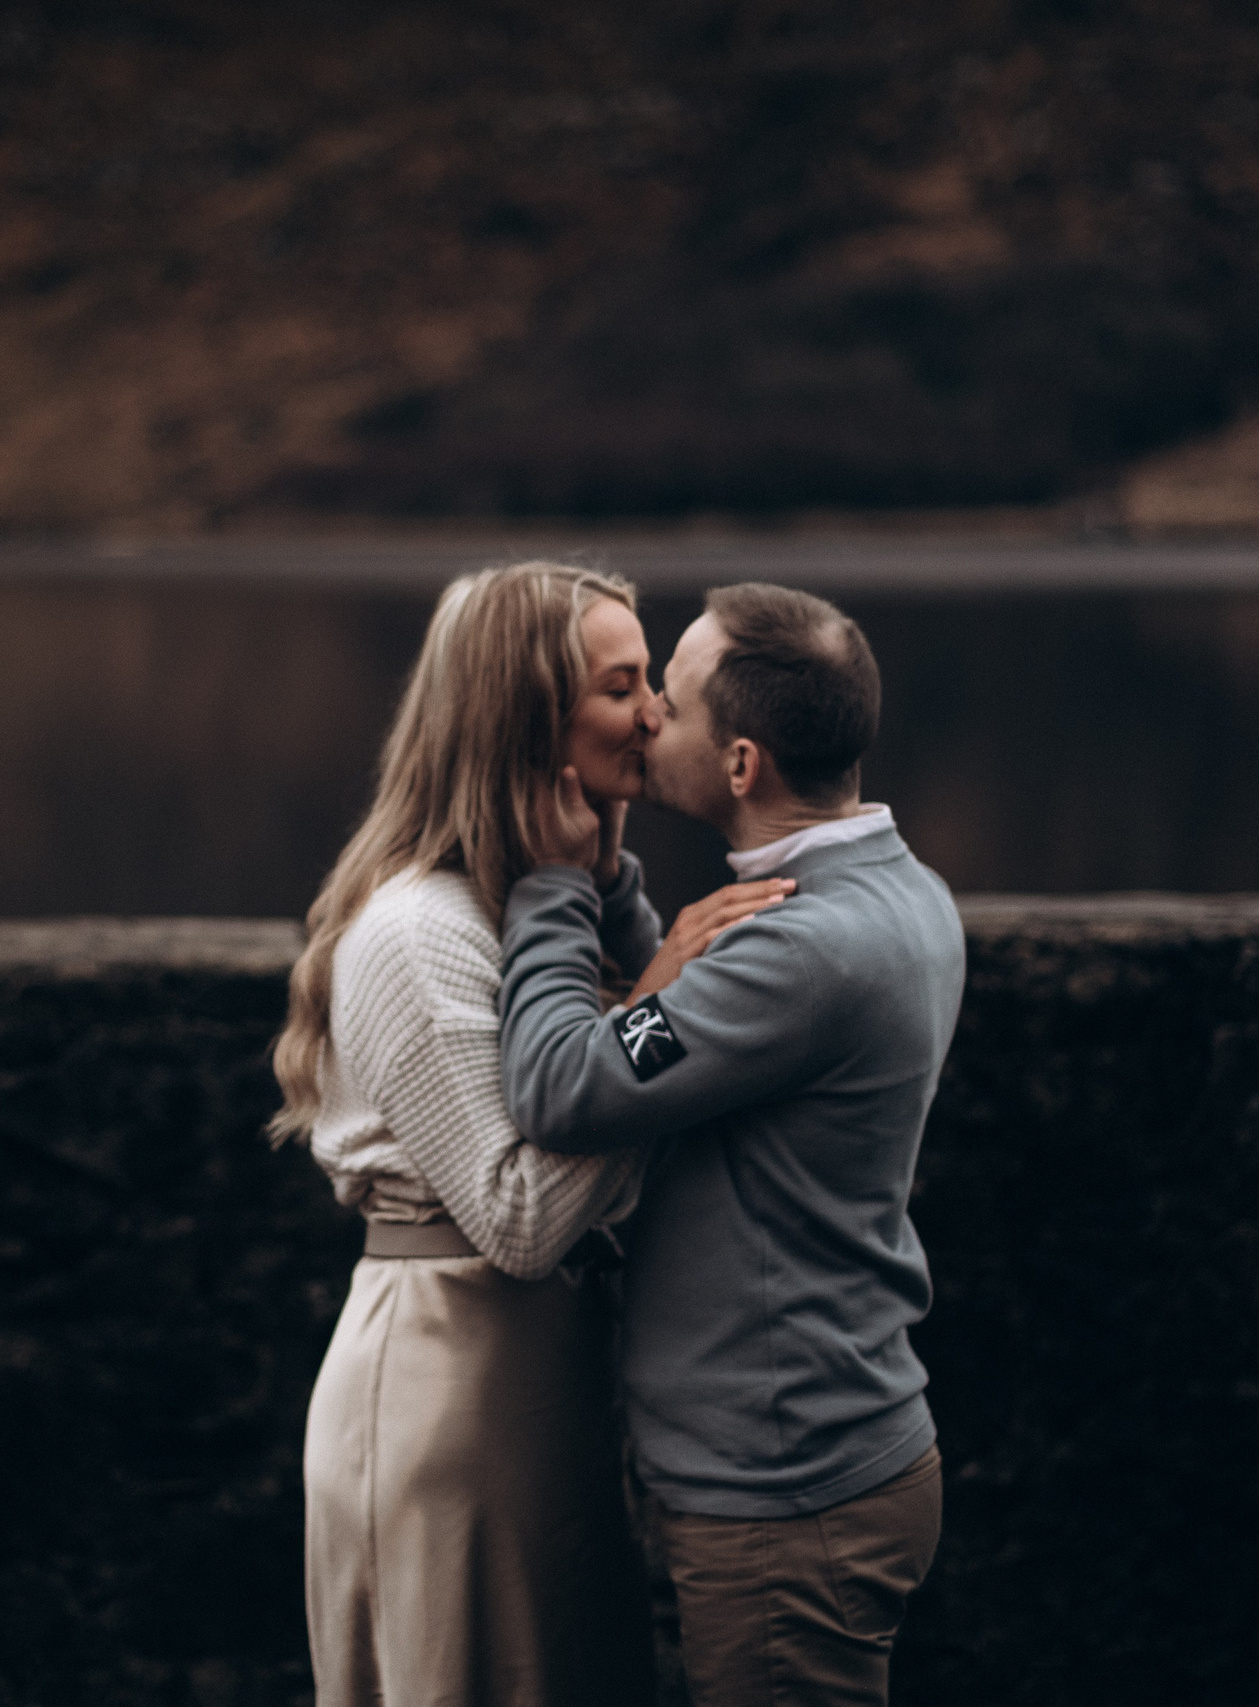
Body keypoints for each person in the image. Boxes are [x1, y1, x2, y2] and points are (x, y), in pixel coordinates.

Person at [270, 560, 787, 1707]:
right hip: (447, 1390)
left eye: (652, 680)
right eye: (621, 687)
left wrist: (612, 914)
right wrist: (659, 1006)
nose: (657, 713)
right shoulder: (417, 930)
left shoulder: (531, 901)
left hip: (536, 1387)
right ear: (525, 717)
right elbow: (521, 1218)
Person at [499, 582, 967, 1707]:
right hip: (830, 1445)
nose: (648, 714)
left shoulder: (804, 952)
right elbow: (701, 1032)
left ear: (744, 763)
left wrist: (555, 889)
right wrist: (619, 893)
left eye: (673, 696)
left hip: (782, 1491)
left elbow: (564, 1085)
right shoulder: (894, 892)